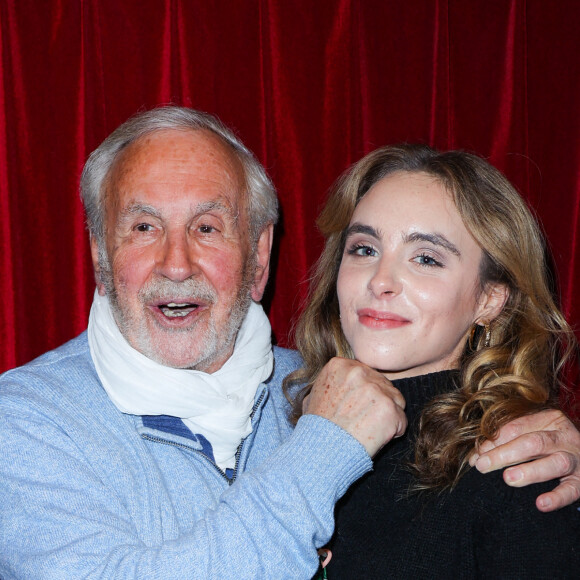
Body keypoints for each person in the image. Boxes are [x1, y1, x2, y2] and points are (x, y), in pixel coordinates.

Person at [0, 108, 577, 579]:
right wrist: (322, 452)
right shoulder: (28, 421)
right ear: (101, 258)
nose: (176, 265)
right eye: (144, 227)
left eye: (207, 227)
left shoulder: (308, 392)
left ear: (259, 257)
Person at [285, 144, 580, 578]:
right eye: (364, 249)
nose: (381, 281)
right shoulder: (283, 418)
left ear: (489, 299)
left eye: (426, 258)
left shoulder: (515, 471)